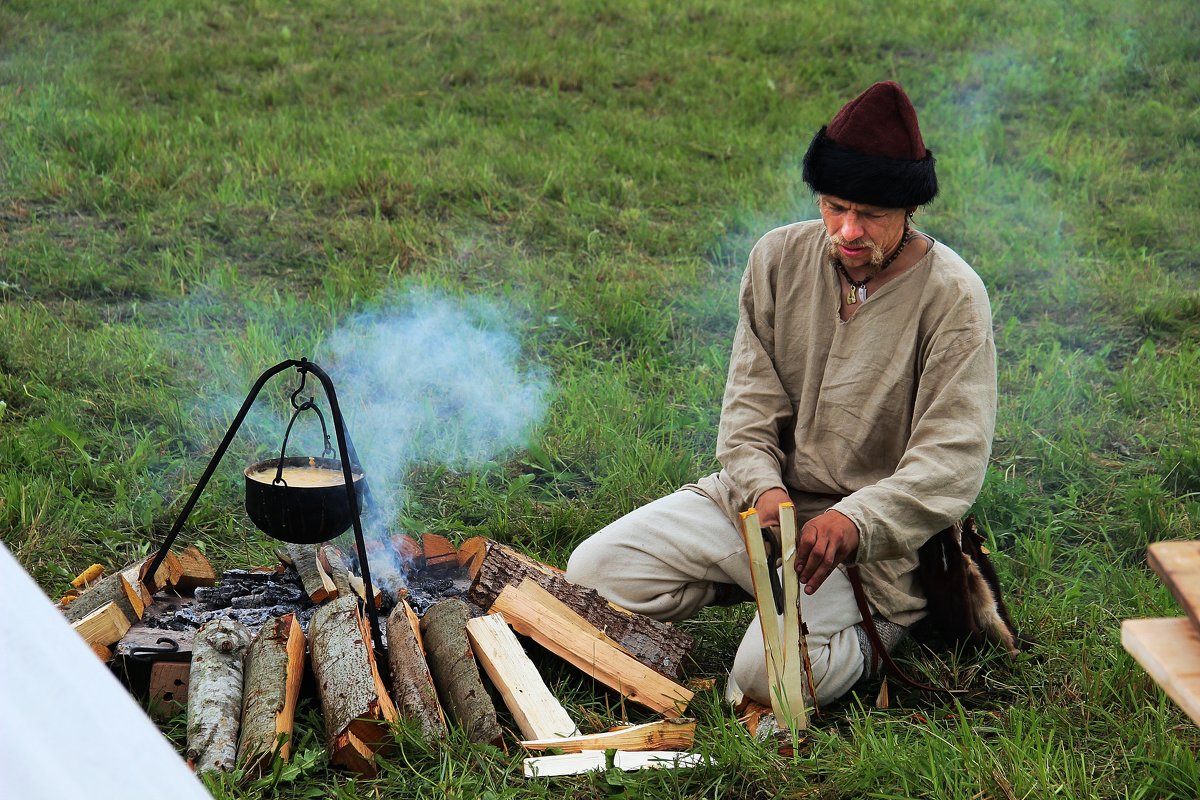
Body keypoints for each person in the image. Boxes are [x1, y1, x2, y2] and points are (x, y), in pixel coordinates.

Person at [565, 81, 997, 708]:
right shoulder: (777, 258)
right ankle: (759, 584)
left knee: (763, 681)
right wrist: (762, 489)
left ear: (908, 208)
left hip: (868, 541)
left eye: (871, 215)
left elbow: (950, 460)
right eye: (834, 207)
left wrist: (855, 521)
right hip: (759, 505)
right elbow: (749, 405)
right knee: (593, 574)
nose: (847, 230)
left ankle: (885, 625)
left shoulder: (953, 296)